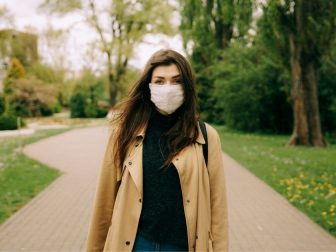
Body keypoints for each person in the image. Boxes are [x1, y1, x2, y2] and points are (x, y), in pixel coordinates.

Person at [86, 49, 228, 252]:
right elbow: (104, 201)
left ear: (187, 87)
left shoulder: (206, 137)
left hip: (183, 246)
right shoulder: (124, 133)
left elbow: (218, 209)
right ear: (148, 86)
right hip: (135, 245)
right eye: (160, 81)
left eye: (177, 81)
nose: (168, 88)